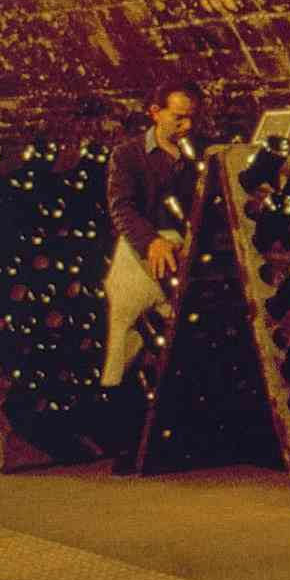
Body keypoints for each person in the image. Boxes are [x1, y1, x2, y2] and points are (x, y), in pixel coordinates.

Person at [101, 79, 204, 436]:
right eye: (179, 119)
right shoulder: (127, 155)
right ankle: (123, 435)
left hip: (185, 257)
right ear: (155, 113)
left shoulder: (199, 154)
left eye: (191, 118)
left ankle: (171, 427)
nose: (187, 127)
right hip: (140, 254)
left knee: (178, 340)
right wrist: (151, 243)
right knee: (124, 336)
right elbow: (121, 209)